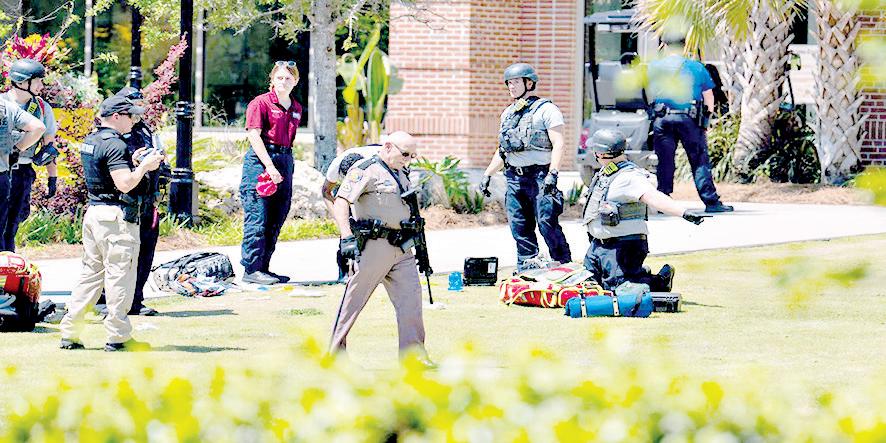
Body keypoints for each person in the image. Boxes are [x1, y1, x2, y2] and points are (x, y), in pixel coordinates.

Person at [59, 95, 163, 352]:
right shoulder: (116, 144)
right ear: (116, 116)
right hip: (116, 218)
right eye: (130, 116)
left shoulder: (92, 139)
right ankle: (118, 336)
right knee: (120, 276)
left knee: (90, 275)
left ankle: (70, 332)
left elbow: (105, 170)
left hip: (95, 212)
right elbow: (124, 183)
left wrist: (132, 161)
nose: (134, 121)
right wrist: (145, 167)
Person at [329, 131, 432, 365]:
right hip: (374, 247)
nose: (408, 159)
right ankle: (335, 355)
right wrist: (346, 236)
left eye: (413, 156)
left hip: (401, 248)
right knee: (352, 302)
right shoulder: (364, 170)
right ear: (387, 147)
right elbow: (341, 201)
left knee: (411, 300)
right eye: (405, 154)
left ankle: (414, 356)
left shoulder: (401, 172)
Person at [582, 129, 707, 292]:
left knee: (619, 289)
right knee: (590, 285)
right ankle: (638, 274)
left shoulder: (629, 177)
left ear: (601, 153)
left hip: (622, 245)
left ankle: (658, 282)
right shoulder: (607, 172)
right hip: (599, 244)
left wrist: (682, 212)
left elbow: (654, 197)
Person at [479, 63, 571, 271]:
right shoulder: (508, 114)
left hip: (540, 176)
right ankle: (527, 266)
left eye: (515, 82)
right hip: (514, 177)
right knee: (519, 225)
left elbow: (559, 143)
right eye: (508, 83)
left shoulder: (547, 110)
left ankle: (564, 265)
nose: (511, 87)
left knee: (547, 223)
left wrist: (553, 173)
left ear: (529, 83)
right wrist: (487, 174)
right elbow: (503, 150)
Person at [95, 86, 166, 316]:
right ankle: (106, 301)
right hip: (124, 202)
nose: (136, 114)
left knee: (144, 252)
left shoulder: (144, 130)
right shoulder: (110, 135)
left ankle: (135, 300)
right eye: (132, 109)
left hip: (147, 200)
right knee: (117, 256)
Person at [647, 33, 733, 213]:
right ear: (685, 46)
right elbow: (709, 96)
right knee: (699, 160)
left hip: (662, 118)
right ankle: (711, 202)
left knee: (665, 161)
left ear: (664, 46)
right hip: (690, 120)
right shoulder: (697, 67)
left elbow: (648, 92)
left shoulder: (654, 67)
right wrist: (706, 120)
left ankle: (664, 202)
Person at [240, 61, 303, 285]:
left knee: (277, 217)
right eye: (279, 78)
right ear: (272, 80)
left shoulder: (296, 107)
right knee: (258, 217)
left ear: (295, 81)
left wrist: (284, 166)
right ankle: (251, 269)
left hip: (285, 159)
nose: (283, 82)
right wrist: (269, 166)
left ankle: (264, 269)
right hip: (262, 161)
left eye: (288, 78)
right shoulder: (261, 103)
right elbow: (254, 135)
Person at [2, 59, 58, 252]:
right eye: (38, 81)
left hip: (22, 172)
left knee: (13, 224)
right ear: (22, 81)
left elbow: (49, 146)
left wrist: (52, 177)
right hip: (2, 170)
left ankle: (8, 262)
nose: (42, 86)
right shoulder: (3, 104)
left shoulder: (42, 108)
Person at [321, 144, 381, 281]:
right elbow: (326, 192)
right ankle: (344, 272)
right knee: (348, 230)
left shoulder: (377, 164)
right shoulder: (335, 167)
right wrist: (342, 221)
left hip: (377, 188)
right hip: (349, 195)